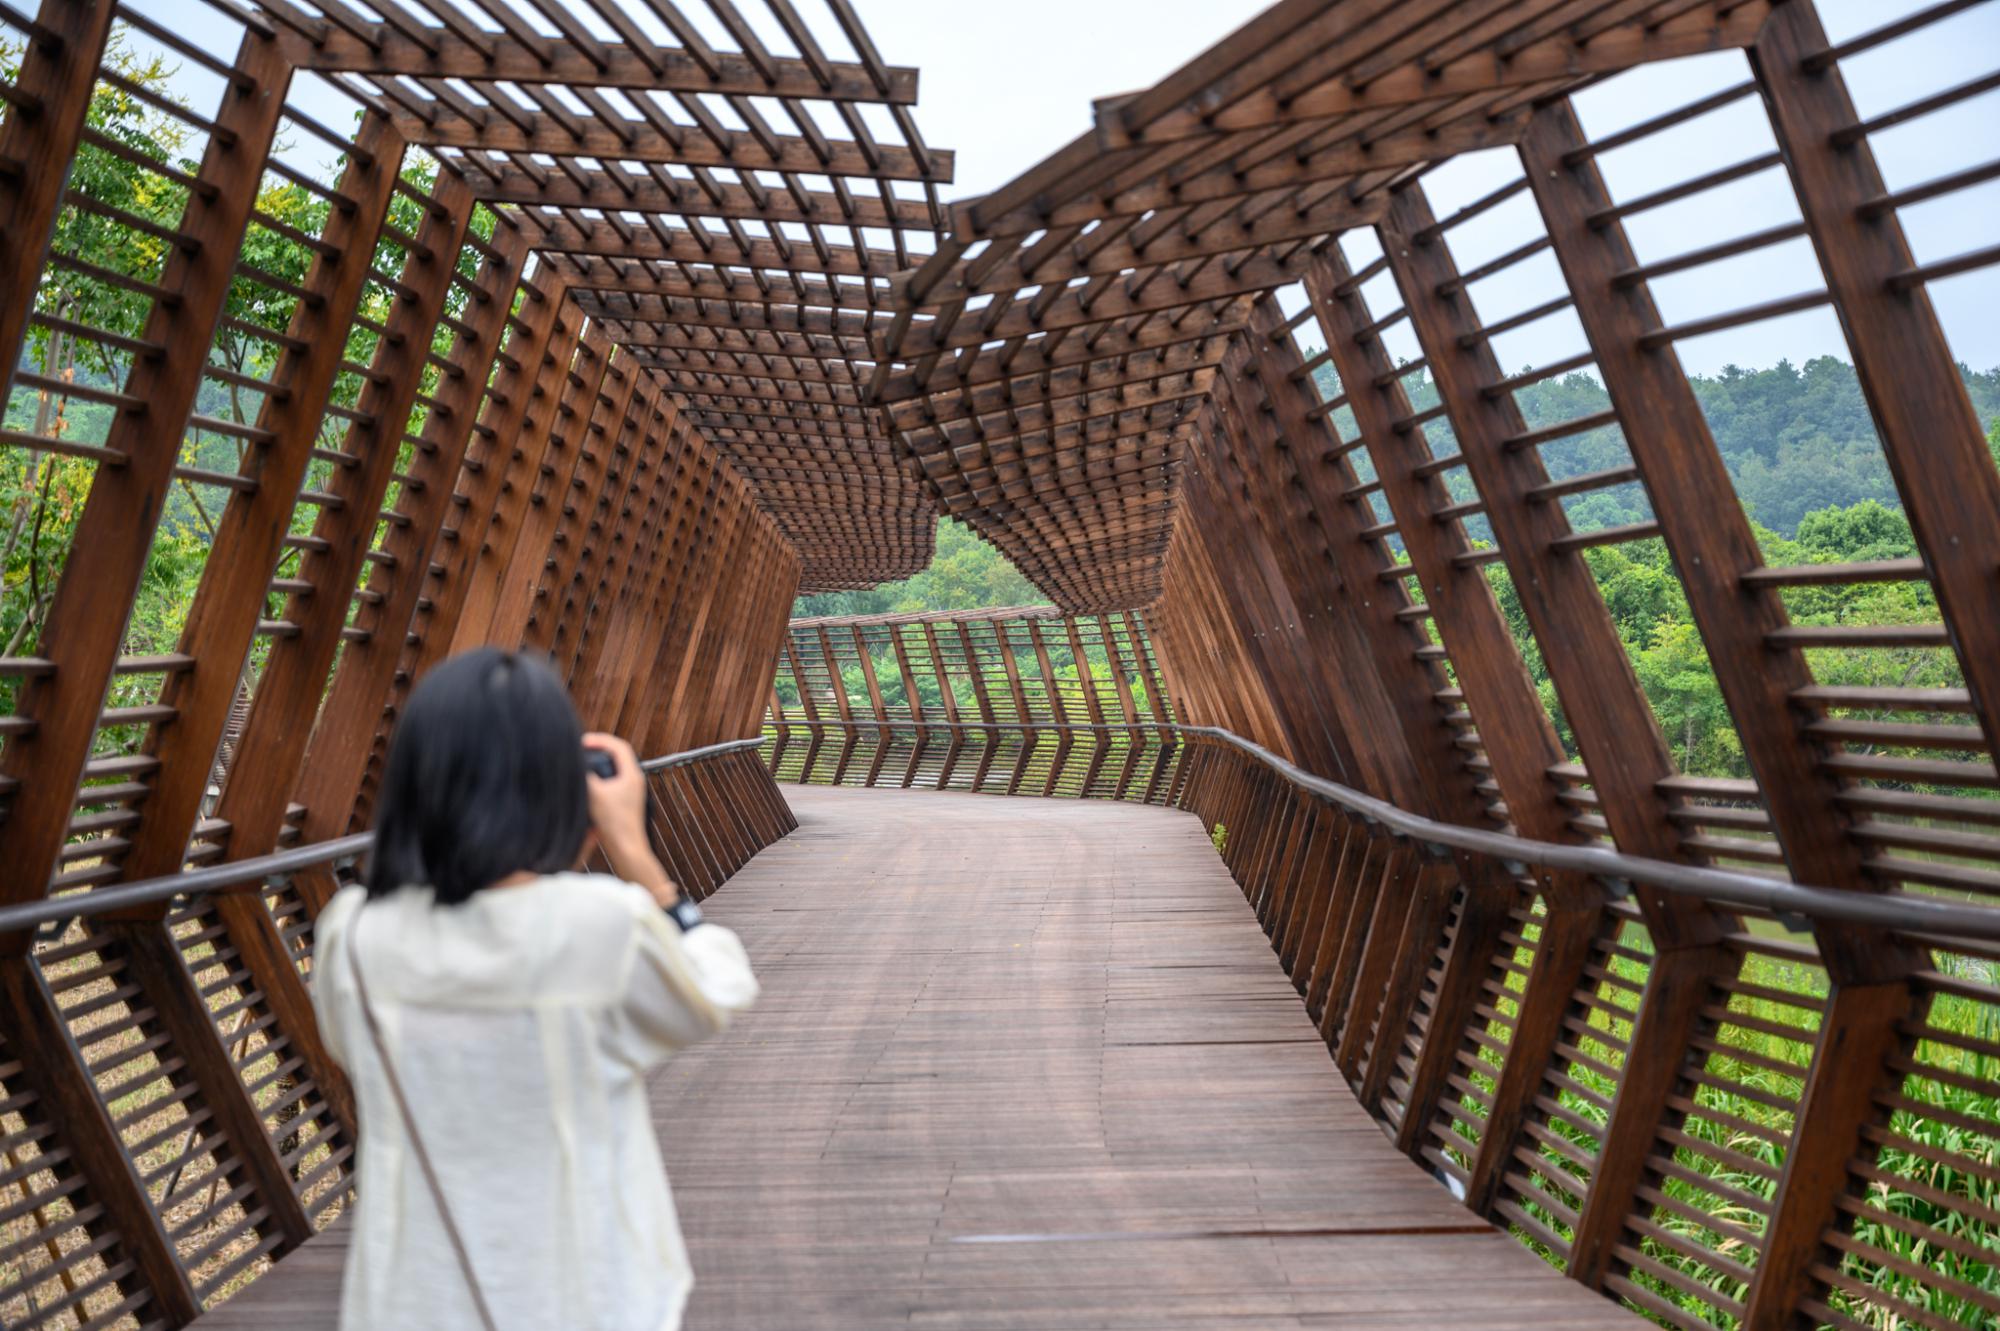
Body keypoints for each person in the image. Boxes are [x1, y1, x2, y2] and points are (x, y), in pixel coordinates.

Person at [311, 648, 758, 1330]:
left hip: (410, 1298)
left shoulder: (354, 934)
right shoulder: (599, 923)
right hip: (583, 1296)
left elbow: (354, 1047)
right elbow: (714, 990)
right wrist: (638, 859)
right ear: (558, 785)